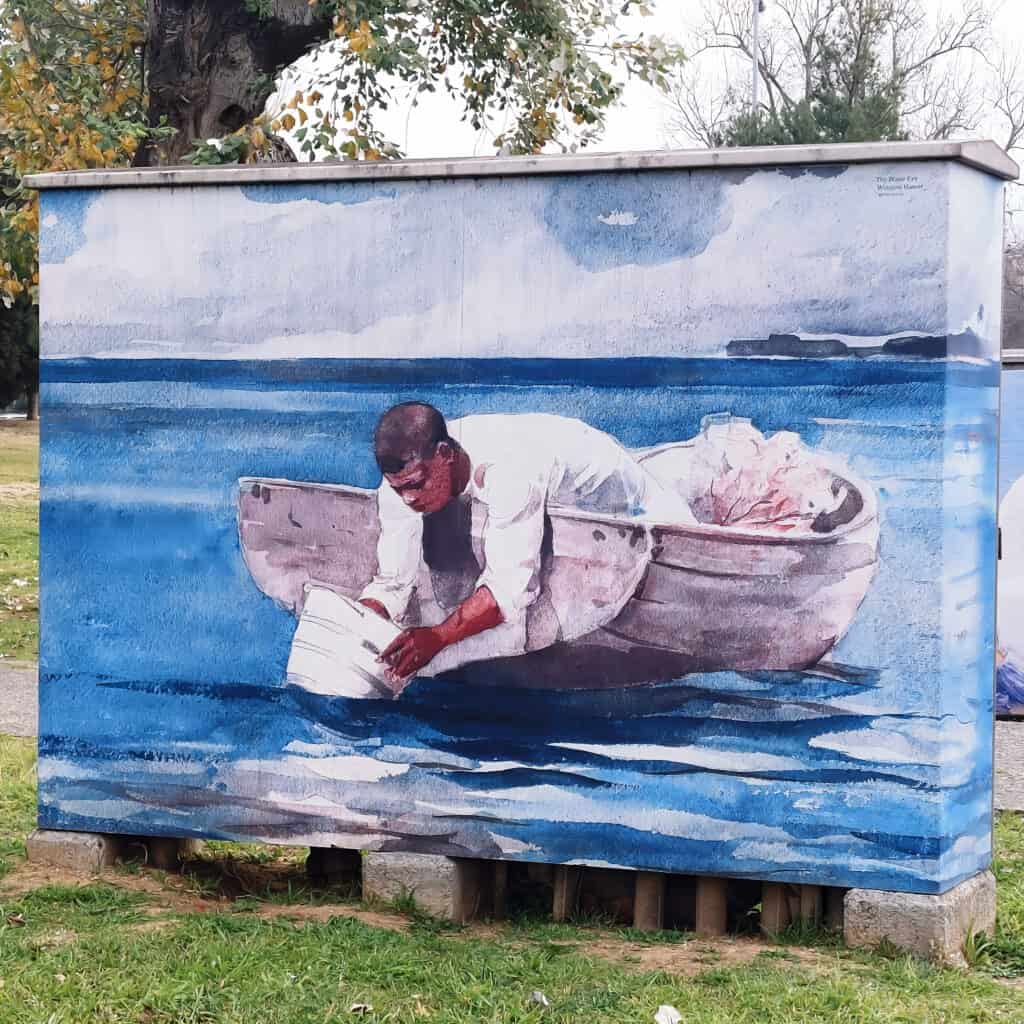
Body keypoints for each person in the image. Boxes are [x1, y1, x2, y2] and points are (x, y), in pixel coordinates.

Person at [359, 402, 685, 686]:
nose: (409, 498)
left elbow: (509, 590)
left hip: (622, 500)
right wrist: (357, 624)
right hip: (545, 486)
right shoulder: (402, 481)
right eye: (400, 489)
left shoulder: (511, 469)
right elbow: (391, 583)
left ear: (445, 454)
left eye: (417, 484)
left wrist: (438, 637)